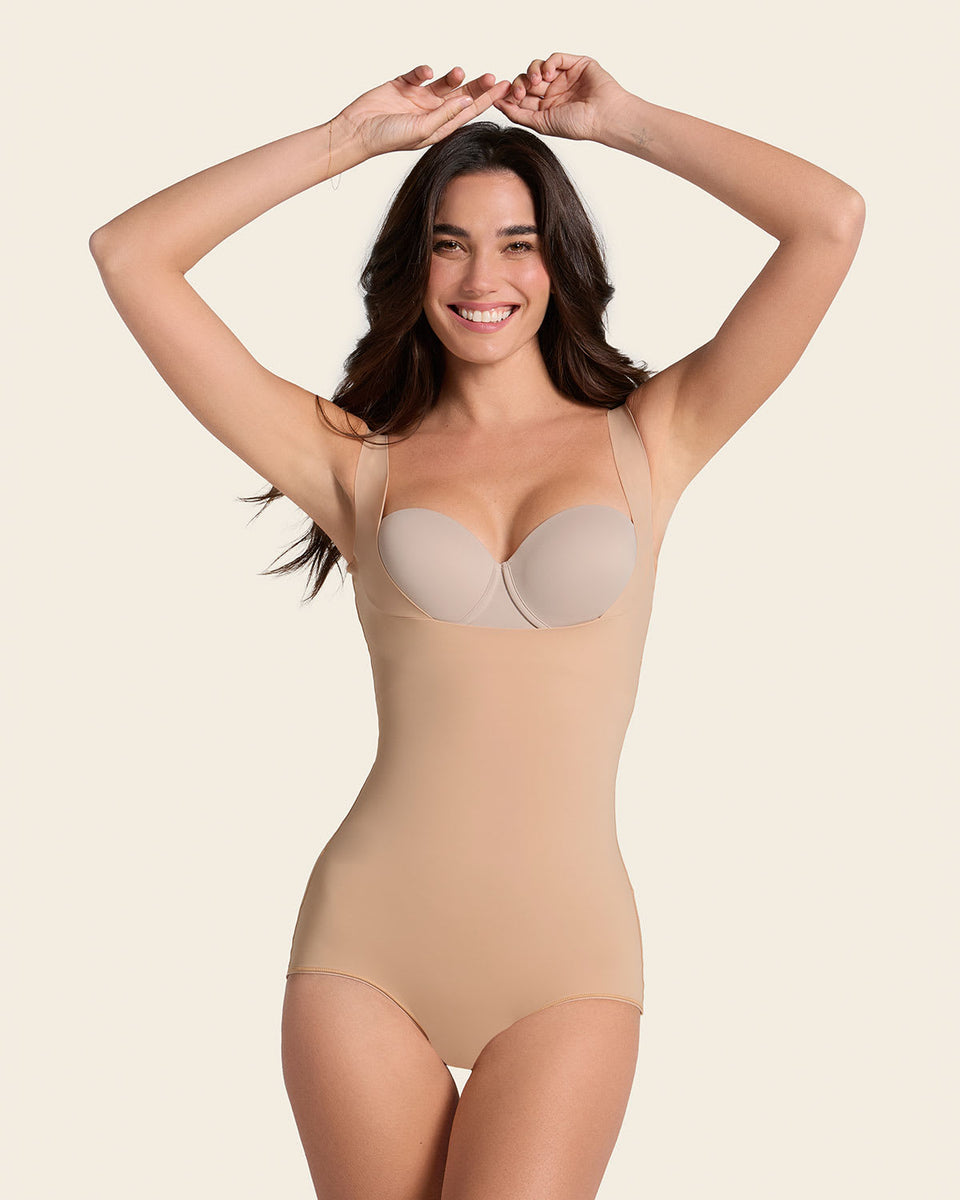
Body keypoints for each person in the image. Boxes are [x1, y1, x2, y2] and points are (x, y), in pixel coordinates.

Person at [89, 52, 865, 1200]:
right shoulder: (354, 462)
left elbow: (829, 223)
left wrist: (627, 122)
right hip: (367, 947)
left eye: (517, 242)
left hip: (568, 961)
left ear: (559, 262)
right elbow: (130, 255)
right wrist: (349, 142)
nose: (482, 275)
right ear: (415, 266)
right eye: (449, 243)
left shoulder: (653, 437)